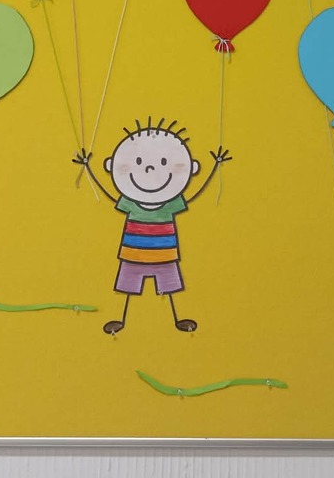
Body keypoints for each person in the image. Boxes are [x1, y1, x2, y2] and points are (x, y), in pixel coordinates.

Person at [73, 117, 231, 335]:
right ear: (111, 165)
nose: (149, 169)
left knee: (169, 285)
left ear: (192, 168)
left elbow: (194, 194)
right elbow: (109, 194)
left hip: (165, 253)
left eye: (164, 162)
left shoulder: (170, 203)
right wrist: (88, 168)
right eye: (138, 161)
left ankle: (177, 319)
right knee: (128, 286)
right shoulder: (130, 202)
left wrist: (215, 167)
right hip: (133, 253)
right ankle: (121, 319)